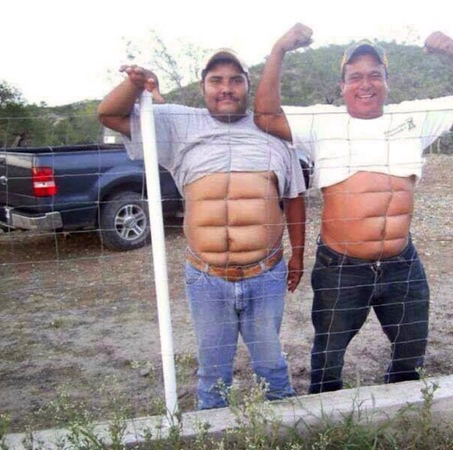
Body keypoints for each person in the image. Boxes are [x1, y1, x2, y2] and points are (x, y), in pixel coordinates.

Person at [254, 24, 453, 393]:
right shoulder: (321, 122)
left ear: (387, 82)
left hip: (401, 263)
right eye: (356, 76)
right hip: (341, 268)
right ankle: (326, 410)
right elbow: (265, 116)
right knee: (328, 354)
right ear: (342, 85)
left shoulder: (414, 117)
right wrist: (279, 49)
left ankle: (404, 405)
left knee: (411, 349)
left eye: (375, 75)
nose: (366, 84)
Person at [98, 49, 307, 409]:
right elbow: (110, 114)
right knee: (213, 371)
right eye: (216, 80)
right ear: (203, 86)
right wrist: (135, 85)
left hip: (265, 273)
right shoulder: (177, 123)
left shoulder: (272, 128)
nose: (226, 88)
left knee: (271, 363)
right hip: (206, 277)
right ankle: (210, 427)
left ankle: (287, 424)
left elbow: (294, 198)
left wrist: (298, 256)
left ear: (248, 86)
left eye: (235, 80)